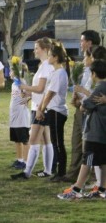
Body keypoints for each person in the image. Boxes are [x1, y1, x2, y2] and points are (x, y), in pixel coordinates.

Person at [57, 59, 106, 199]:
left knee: (87, 160)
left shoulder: (100, 87)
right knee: (103, 161)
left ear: (94, 73)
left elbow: (85, 106)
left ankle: (77, 189)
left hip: (94, 132)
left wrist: (82, 101)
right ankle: (102, 188)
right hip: (103, 131)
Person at [11, 37, 54, 180]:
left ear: (45, 49)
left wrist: (25, 87)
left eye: (37, 48)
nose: (34, 50)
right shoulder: (43, 65)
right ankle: (48, 170)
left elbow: (42, 88)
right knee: (46, 140)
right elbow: (41, 89)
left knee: (33, 139)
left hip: (41, 107)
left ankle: (27, 172)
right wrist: (28, 92)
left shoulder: (47, 66)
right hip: (40, 105)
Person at [37, 40, 70, 182]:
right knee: (55, 141)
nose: (48, 57)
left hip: (56, 111)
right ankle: (58, 171)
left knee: (57, 142)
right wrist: (41, 108)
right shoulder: (55, 72)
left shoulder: (59, 73)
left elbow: (50, 94)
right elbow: (47, 92)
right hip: (52, 110)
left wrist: (41, 110)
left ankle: (61, 172)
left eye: (50, 55)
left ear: (56, 57)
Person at [63, 45, 95, 182]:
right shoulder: (83, 70)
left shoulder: (96, 74)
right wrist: (76, 97)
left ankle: (94, 178)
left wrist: (83, 94)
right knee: (76, 143)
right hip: (80, 109)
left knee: (89, 146)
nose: (84, 58)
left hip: (91, 112)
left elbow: (93, 94)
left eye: (87, 56)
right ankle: (73, 174)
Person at [8, 64, 30, 170]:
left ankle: (26, 161)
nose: (9, 72)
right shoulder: (14, 83)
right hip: (14, 115)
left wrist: (26, 98)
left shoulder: (22, 82)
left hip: (21, 115)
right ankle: (19, 159)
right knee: (17, 139)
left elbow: (30, 93)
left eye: (11, 70)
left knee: (24, 139)